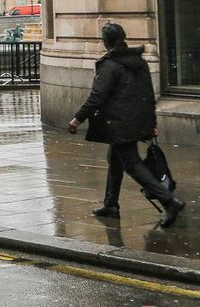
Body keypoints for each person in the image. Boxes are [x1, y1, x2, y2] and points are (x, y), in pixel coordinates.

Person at [69, 22, 185, 227]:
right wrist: (151, 124)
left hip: (119, 124)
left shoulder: (110, 65)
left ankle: (169, 201)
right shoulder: (138, 61)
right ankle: (110, 205)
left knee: (131, 164)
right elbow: (148, 95)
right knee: (115, 159)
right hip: (135, 121)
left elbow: (97, 97)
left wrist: (78, 119)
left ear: (106, 42)